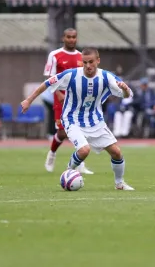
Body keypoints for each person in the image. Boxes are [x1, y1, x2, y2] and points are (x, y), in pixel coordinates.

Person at [22, 47, 134, 190]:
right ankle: (68, 173)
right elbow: (47, 83)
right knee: (84, 150)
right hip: (72, 119)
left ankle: (119, 183)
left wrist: (124, 89)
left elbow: (127, 94)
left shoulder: (106, 77)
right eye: (85, 62)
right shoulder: (71, 75)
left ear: (98, 61)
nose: (88, 65)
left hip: (95, 121)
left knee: (117, 153)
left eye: (91, 62)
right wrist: (28, 100)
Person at [43, 28, 93, 175]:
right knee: (63, 131)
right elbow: (49, 77)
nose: (71, 39)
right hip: (61, 99)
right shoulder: (55, 55)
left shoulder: (81, 56)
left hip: (77, 99)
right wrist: (58, 92)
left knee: (80, 129)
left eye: (74, 37)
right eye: (68, 37)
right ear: (63, 38)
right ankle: (52, 154)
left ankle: (80, 163)